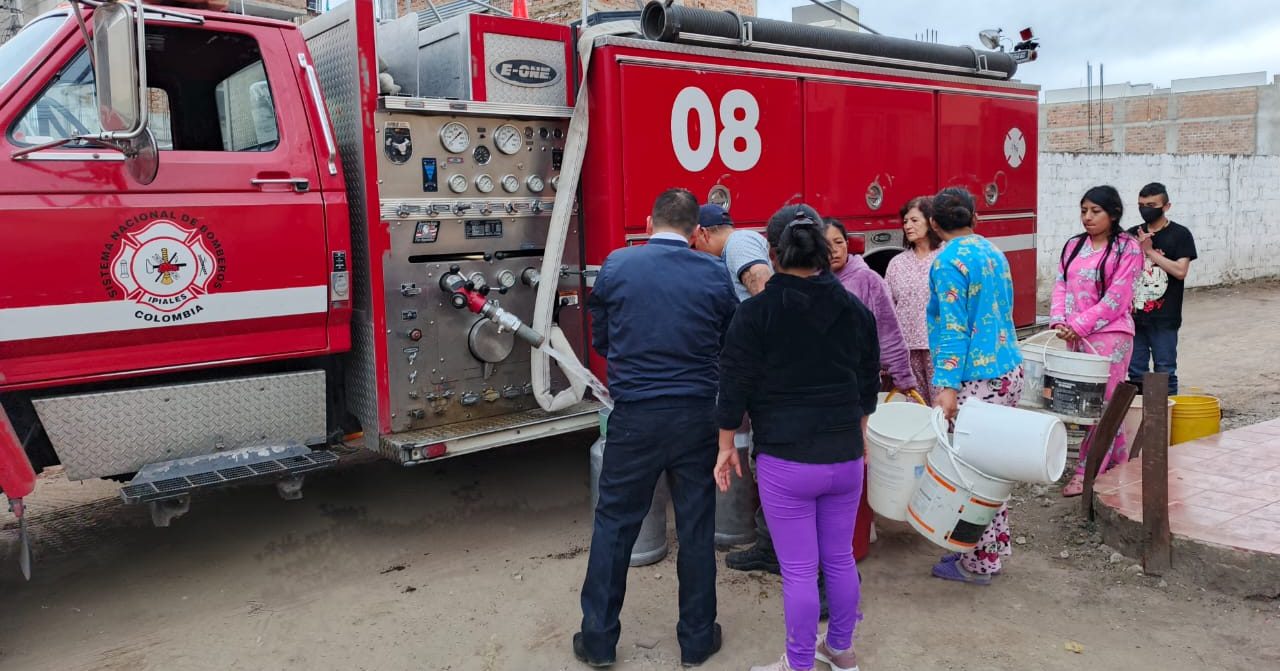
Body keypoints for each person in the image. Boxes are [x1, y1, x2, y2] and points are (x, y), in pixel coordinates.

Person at [576, 188, 738, 668]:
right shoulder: (713, 272)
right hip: (696, 417)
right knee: (696, 526)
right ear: (697, 232)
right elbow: (727, 343)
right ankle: (695, 641)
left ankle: (599, 642)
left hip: (635, 417)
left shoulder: (618, 265)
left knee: (614, 525)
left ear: (648, 223)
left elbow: (601, 336)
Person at [714, 205, 880, 671]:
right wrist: (861, 434)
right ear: (825, 255)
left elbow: (734, 387)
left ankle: (801, 663)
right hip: (844, 456)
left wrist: (726, 446)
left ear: (772, 250)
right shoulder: (855, 310)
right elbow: (869, 382)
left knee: (801, 572)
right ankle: (841, 651)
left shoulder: (756, 314)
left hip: (786, 462)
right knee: (841, 559)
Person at [926, 187, 1024, 585]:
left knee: (972, 473)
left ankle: (980, 562)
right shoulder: (992, 251)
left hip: (974, 379)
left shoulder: (946, 262)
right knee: (992, 465)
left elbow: (952, 328)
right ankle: (987, 550)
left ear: (933, 224)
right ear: (975, 218)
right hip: (1007, 371)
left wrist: (946, 385)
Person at [690, 204, 783, 576]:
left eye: (696, 242)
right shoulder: (733, 250)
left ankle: (778, 550)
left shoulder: (740, 242)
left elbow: (760, 283)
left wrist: (759, 347)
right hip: (761, 367)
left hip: (764, 370)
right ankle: (770, 542)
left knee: (770, 459)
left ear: (705, 232)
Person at [1054, 186, 1144, 497]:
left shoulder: (1127, 248)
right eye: (1084, 211)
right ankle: (1117, 460)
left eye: (1095, 211)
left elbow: (1117, 298)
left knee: (1101, 404)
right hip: (1075, 335)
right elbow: (1061, 284)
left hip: (1110, 336)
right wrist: (1060, 322)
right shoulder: (1074, 246)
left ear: (1114, 214)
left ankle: (1086, 469)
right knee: (1086, 403)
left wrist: (1078, 324)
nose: (1088, 218)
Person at [826, 219, 917, 393]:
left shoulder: (868, 280)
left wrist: (903, 376)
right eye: (825, 244)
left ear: (847, 243)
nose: (833, 250)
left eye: (838, 242)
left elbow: (888, 332)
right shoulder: (808, 282)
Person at [1127, 182, 1197, 395]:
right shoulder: (1131, 235)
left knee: (1164, 371)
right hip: (1134, 316)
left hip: (1165, 317)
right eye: (1141, 204)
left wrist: (1149, 251)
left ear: (1166, 206)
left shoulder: (1180, 234)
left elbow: (1180, 271)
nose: (1146, 209)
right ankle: (1139, 422)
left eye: (1151, 204)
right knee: (1135, 372)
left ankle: (1165, 422)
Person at [884, 197, 943, 405]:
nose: (908, 226)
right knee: (915, 405)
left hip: (939, 346)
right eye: (905, 221)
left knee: (941, 404)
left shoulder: (945, 257)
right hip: (907, 347)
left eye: (914, 220)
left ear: (931, 221)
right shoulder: (897, 263)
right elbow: (887, 307)